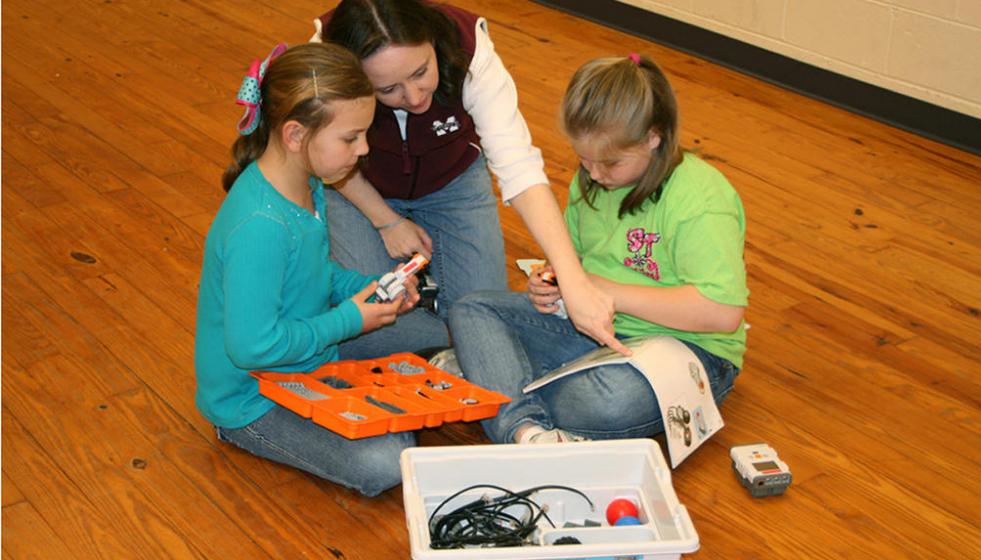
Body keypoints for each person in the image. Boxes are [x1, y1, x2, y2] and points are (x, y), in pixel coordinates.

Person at [449, 54, 748, 444]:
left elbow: (722, 313)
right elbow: (571, 260)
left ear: (653, 138)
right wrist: (550, 281)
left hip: (690, 348)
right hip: (591, 331)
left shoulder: (701, 200)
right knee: (471, 309)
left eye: (609, 162)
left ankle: (496, 376)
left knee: (602, 404)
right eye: (584, 159)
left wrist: (597, 288)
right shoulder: (590, 181)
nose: (593, 174)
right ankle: (528, 434)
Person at [195, 43, 443, 496]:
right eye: (351, 138)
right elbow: (253, 348)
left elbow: (314, 274)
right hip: (254, 398)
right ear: (295, 135)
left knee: (434, 335)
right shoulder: (260, 227)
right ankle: (246, 432)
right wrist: (350, 318)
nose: (364, 149)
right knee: (386, 463)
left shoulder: (308, 182)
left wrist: (370, 287)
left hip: (311, 358)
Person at [311, 0, 628, 355]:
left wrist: (573, 280)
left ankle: (435, 325)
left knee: (481, 307)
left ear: (432, 41)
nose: (415, 98)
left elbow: (518, 165)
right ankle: (440, 330)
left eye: (420, 72)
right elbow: (322, 158)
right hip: (357, 186)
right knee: (374, 314)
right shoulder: (324, 61)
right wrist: (385, 221)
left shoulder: (470, 48)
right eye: (388, 90)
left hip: (452, 181)